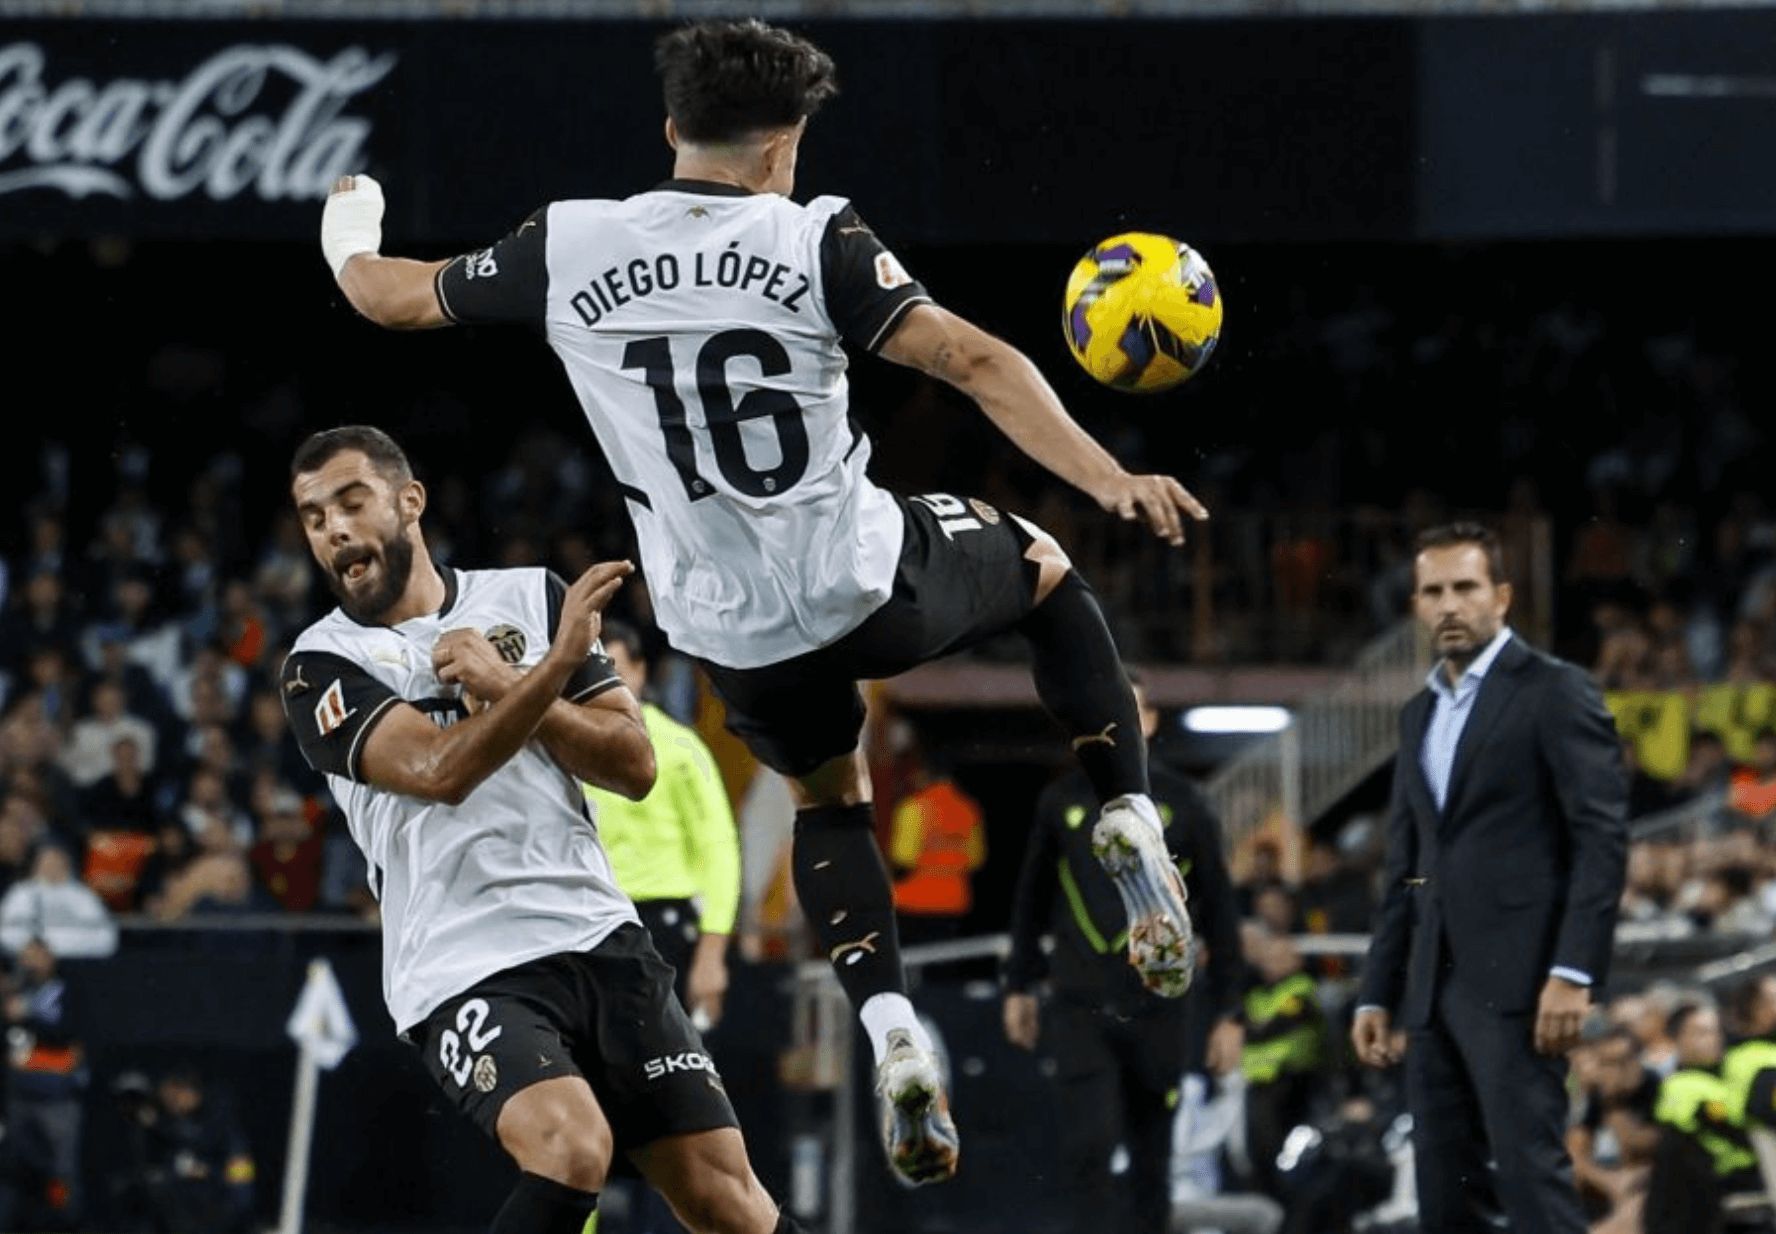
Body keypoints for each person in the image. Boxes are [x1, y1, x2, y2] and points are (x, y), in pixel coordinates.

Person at [318, 17, 1203, 1185]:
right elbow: (975, 361)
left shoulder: (571, 243)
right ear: (784, 146)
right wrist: (1110, 476)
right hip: (858, 579)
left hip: (727, 626)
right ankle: (1127, 809)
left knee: (828, 799)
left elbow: (386, 299)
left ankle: (891, 1027)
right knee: (1042, 567)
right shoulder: (814, 237)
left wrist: (351, 221)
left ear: (672, 129)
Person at [280, 426, 803, 1234]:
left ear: (410, 501)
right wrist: (551, 670)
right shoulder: (320, 663)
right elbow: (439, 772)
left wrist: (506, 681)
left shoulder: (530, 597)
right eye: (315, 518)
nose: (335, 530)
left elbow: (632, 763)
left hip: (599, 934)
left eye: (352, 503)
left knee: (728, 1201)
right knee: (570, 1146)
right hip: (463, 961)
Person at [1351, 522, 1628, 1234]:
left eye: (1465, 587)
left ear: (1501, 597)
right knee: (1445, 1201)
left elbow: (1601, 839)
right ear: (1416, 605)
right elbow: (1406, 866)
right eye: (1433, 591)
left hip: (1524, 985)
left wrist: (1573, 970)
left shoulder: (1555, 691)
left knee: (1533, 1184)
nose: (1449, 604)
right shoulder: (1418, 714)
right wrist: (1378, 989)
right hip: (1430, 990)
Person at [1002, 674, 1243, 1234]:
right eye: (1101, 707)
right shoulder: (1060, 801)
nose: (1112, 721)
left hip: (1160, 1007)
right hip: (1079, 1003)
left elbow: (1221, 910)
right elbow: (1030, 899)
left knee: (1152, 1156)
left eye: (1128, 709)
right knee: (1090, 1144)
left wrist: (1230, 1012)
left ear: (1150, 721)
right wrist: (1019, 984)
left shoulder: (1185, 803)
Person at [583, 622, 740, 1031]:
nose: (603, 684)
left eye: (614, 670)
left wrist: (712, 951)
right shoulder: (569, 749)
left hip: (664, 926)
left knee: (672, 1058)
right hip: (592, 923)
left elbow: (719, 847)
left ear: (639, 671)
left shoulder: (678, 746)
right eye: (592, 672)